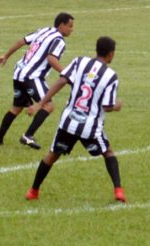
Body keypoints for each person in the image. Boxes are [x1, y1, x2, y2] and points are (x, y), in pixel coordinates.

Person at [26, 36, 126, 203]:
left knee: (52, 156)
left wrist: (40, 104)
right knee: (108, 152)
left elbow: (61, 81)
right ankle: (119, 191)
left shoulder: (79, 62)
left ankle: (33, 191)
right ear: (111, 54)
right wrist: (117, 105)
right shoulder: (111, 76)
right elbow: (107, 106)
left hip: (68, 123)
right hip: (90, 127)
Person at [0, 12, 74, 148]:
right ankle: (28, 135)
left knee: (16, 108)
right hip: (32, 76)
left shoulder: (44, 30)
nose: (71, 29)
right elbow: (52, 59)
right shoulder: (58, 40)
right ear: (61, 25)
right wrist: (67, 74)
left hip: (19, 73)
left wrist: (6, 55)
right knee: (48, 105)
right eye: (69, 26)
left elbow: (21, 41)